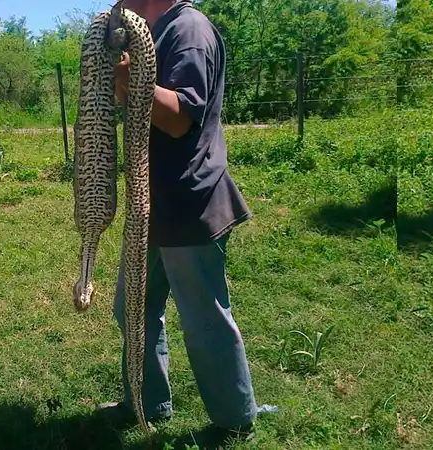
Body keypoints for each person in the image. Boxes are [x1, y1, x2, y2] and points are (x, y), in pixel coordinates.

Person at [97, 0, 259, 443]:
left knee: (203, 317)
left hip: (188, 201)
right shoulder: (150, 32)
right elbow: (135, 105)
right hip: (151, 202)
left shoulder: (189, 29)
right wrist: (118, 77)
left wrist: (131, 77)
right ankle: (146, 402)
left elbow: (179, 118)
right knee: (133, 308)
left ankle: (235, 420)